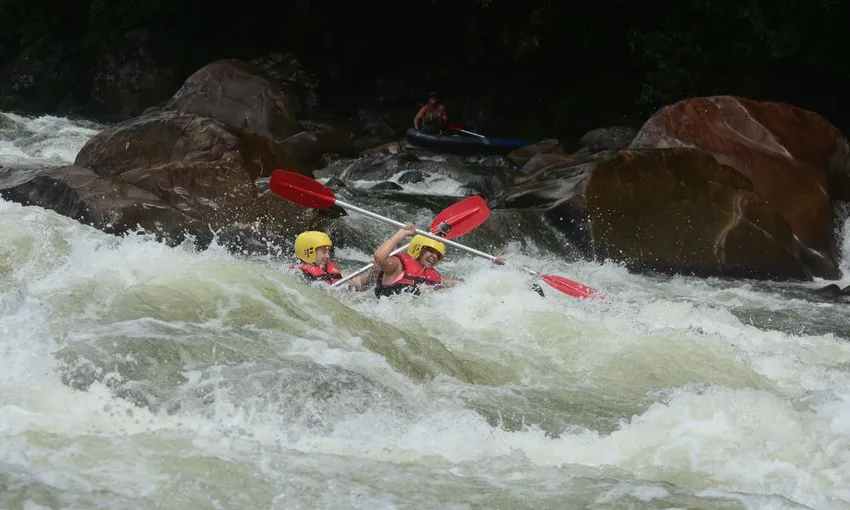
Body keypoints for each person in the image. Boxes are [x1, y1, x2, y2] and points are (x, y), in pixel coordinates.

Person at [372, 222, 505, 298]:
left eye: (437, 254)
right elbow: (379, 257)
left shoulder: (433, 277)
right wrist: (402, 233)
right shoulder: (397, 265)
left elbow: (465, 286)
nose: (434, 256)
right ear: (418, 248)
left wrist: (492, 267)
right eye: (430, 251)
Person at [293, 231, 373, 291]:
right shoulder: (299, 274)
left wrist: (375, 271)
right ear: (308, 253)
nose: (328, 256)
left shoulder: (329, 269)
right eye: (324, 252)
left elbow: (359, 283)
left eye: (328, 252)